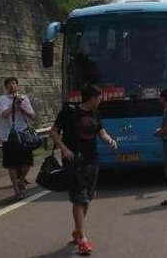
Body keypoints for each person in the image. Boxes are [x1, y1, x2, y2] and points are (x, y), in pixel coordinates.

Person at [50, 84, 117, 256]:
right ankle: (83, 240)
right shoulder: (69, 112)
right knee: (79, 198)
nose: (101, 101)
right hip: (74, 161)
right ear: (92, 98)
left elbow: (101, 132)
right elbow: (54, 132)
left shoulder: (95, 114)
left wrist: (110, 141)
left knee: (87, 198)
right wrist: (64, 149)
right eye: (99, 98)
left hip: (92, 160)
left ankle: (77, 231)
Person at [0, 77, 36, 199]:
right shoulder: (2, 99)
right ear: (6, 87)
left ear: (17, 86)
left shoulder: (24, 98)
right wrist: (14, 105)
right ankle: (17, 191)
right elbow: (4, 114)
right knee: (12, 164)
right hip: (8, 136)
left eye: (14, 84)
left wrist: (21, 106)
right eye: (9, 84)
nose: (12, 86)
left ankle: (20, 181)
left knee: (27, 162)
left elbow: (32, 116)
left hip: (23, 135)